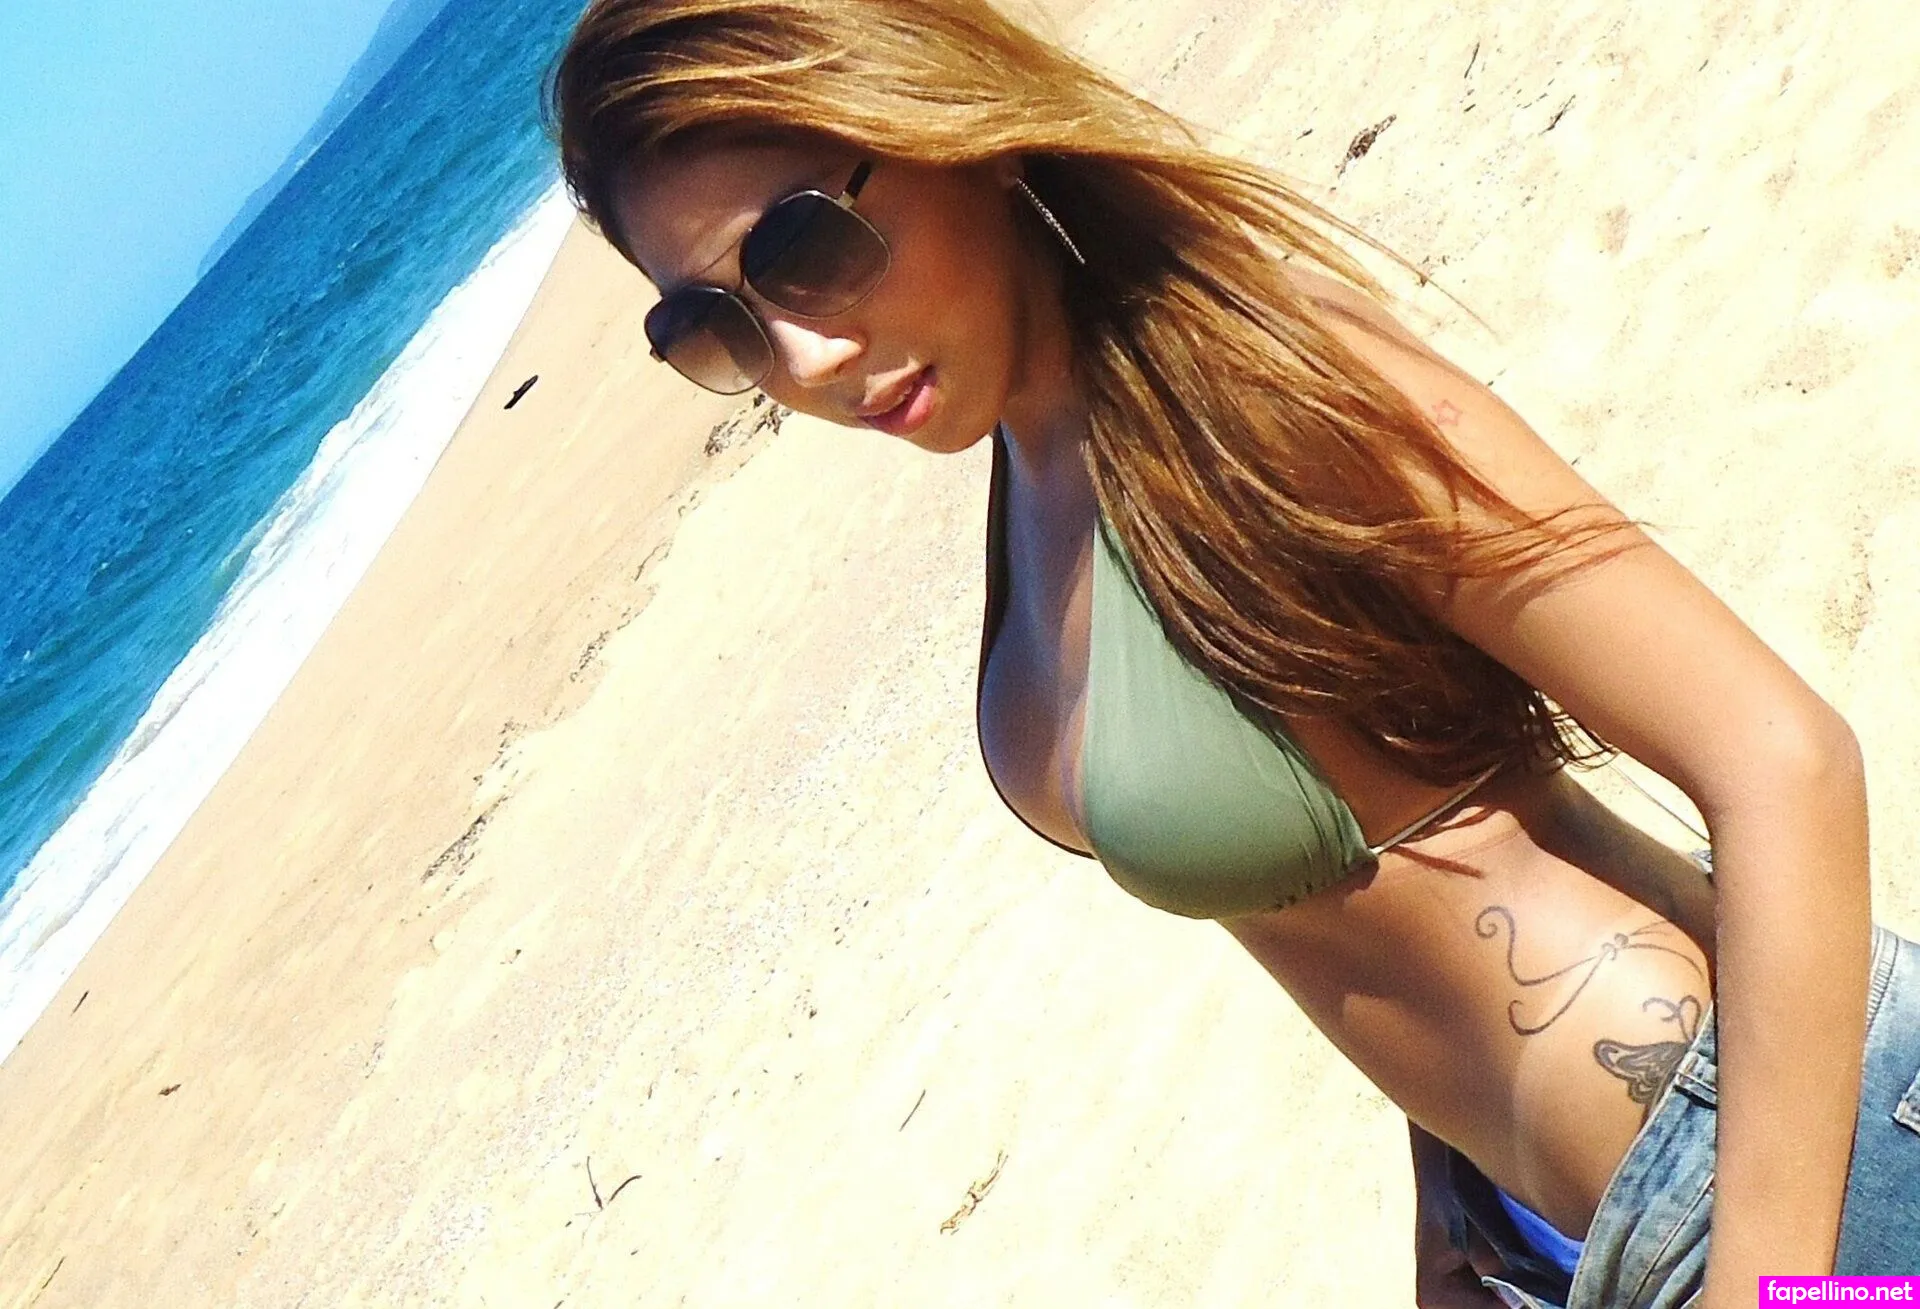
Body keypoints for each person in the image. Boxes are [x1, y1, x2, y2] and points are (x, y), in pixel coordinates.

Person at [546, 1, 1919, 1303]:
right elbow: (1366, 882)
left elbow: (1782, 759)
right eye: (714, 323)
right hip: (1570, 1236)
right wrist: (1451, 1204)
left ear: (948, 127)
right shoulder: (1038, 483)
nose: (800, 355)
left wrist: (1773, 1287)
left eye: (803, 247)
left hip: (1797, 1175)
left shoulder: (1255, 376)